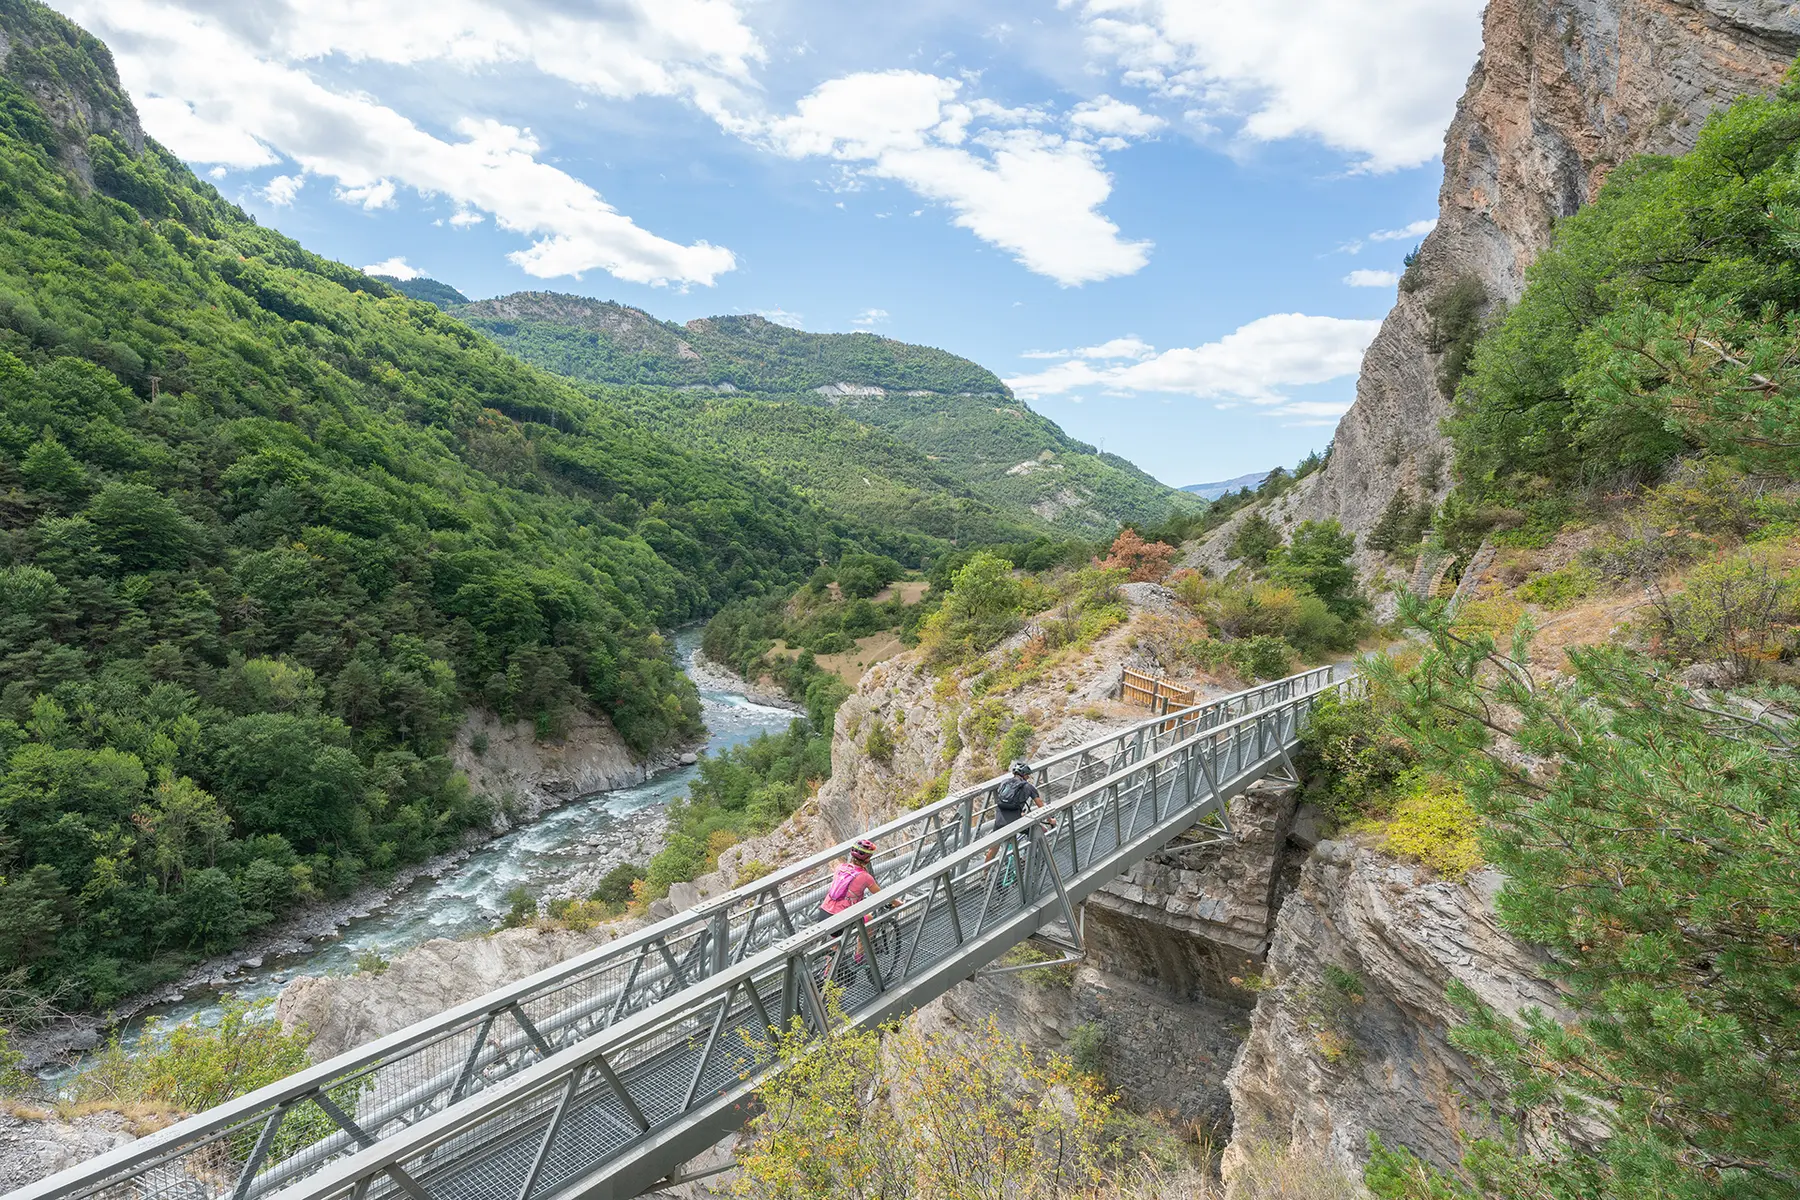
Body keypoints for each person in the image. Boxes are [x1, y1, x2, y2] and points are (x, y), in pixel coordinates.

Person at [984, 759, 1050, 865]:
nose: (1028, 778)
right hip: (1015, 822)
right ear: (1024, 775)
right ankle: (1026, 859)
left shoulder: (1004, 783)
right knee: (1041, 830)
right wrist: (1050, 820)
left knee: (993, 848)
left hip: (1000, 820)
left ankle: (985, 874)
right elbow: (1041, 806)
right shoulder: (1028, 787)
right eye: (1027, 776)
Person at [816, 838, 883, 923]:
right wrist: (896, 903)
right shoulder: (865, 877)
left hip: (823, 914)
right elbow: (880, 894)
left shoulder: (840, 867)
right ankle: (863, 937)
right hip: (840, 920)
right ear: (867, 859)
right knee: (869, 918)